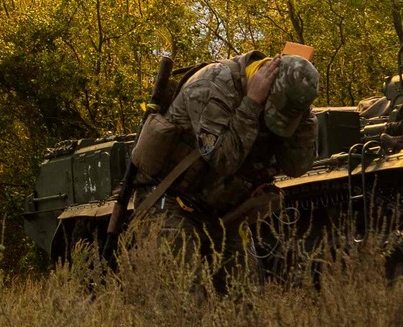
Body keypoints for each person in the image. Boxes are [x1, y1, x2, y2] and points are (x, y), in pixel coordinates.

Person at [109, 47, 321, 240]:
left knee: (241, 281)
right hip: (170, 203)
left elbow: (296, 167)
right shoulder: (213, 84)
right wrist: (252, 103)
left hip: (221, 211)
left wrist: (303, 117)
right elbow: (223, 160)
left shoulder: (291, 102)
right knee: (185, 281)